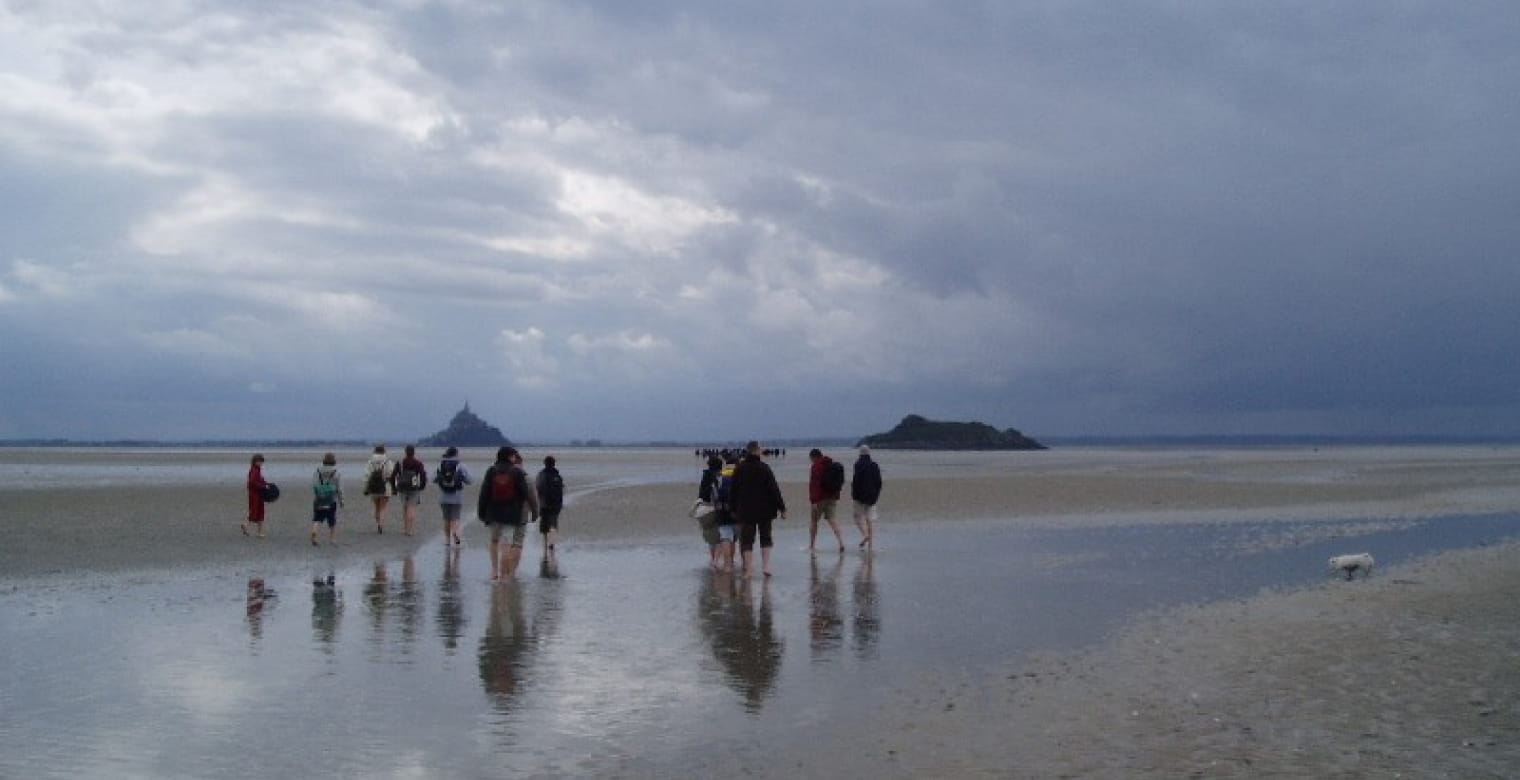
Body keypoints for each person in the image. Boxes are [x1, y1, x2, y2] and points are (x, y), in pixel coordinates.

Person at [478, 446, 540, 580]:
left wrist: (481, 512)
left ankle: (494, 571)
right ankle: (505, 574)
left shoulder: (491, 471)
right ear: (509, 457)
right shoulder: (516, 472)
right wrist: (525, 508)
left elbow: (484, 493)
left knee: (494, 541)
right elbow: (525, 493)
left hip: (493, 512)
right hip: (511, 513)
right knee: (506, 543)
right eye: (512, 455)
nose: (514, 458)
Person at [729, 440, 786, 577]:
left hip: (745, 510)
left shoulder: (740, 468)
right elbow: (774, 490)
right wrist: (782, 508)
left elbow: (733, 491)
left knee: (747, 540)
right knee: (766, 537)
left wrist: (732, 509)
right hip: (765, 510)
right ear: (757, 450)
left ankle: (748, 570)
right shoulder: (764, 468)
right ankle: (766, 567)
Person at [807, 448, 847, 554]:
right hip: (833, 496)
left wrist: (814, 501)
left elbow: (815, 485)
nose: (811, 461)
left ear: (814, 457)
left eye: (811, 458)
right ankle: (841, 542)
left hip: (820, 498)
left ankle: (812, 545)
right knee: (833, 519)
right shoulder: (831, 464)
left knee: (814, 521)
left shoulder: (816, 466)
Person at [434, 446, 472, 546]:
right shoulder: (460, 465)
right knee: (455, 519)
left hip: (443, 497)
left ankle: (447, 541)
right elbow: (469, 480)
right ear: (456, 454)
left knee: (446, 519)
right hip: (456, 496)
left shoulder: (441, 464)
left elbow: (434, 478)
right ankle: (455, 533)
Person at [851, 445, 883, 550]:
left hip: (859, 496)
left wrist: (854, 494)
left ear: (860, 453)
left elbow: (856, 481)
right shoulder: (874, 465)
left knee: (857, 517)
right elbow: (878, 482)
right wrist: (876, 494)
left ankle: (865, 535)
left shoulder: (857, 464)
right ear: (869, 453)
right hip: (872, 496)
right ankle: (870, 545)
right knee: (869, 520)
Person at [310, 452, 344, 546]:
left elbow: (314, 484)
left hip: (319, 498)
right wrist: (341, 501)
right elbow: (339, 488)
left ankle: (314, 532)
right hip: (331, 499)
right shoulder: (336, 472)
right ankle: (332, 539)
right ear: (334, 461)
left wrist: (318, 493)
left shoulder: (317, 471)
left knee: (317, 518)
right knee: (331, 519)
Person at [535, 455, 565, 559]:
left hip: (544, 504)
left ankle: (545, 544)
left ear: (545, 463)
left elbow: (537, 488)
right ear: (554, 463)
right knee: (553, 524)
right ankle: (552, 545)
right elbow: (561, 490)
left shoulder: (541, 475)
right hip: (556, 504)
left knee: (544, 524)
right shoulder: (558, 475)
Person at [362, 445, 397, 534]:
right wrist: (394, 486)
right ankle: (381, 524)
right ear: (384, 451)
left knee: (376, 507)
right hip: (385, 486)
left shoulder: (370, 461)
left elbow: (367, 475)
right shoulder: (387, 461)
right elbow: (391, 474)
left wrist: (366, 487)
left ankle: (378, 523)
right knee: (383, 507)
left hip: (373, 487)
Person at [697, 455, 724, 569]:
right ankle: (715, 562)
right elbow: (715, 495)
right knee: (718, 537)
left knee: (710, 537)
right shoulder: (713, 479)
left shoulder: (705, 476)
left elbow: (701, 495)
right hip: (712, 509)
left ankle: (713, 559)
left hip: (702, 510)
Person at [396, 444, 428, 536]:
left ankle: (406, 529)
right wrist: (422, 486)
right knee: (412, 507)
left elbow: (395, 474)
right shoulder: (418, 463)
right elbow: (423, 475)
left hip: (402, 487)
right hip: (413, 487)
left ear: (405, 452)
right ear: (414, 452)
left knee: (405, 507)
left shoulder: (400, 463)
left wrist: (395, 487)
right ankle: (410, 530)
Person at [245, 453, 269, 538]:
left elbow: (259, 480)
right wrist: (263, 486)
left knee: (256, 512)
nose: (261, 463)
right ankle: (258, 531)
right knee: (258, 513)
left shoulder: (256, 470)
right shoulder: (255, 470)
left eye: (261, 462)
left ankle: (249, 527)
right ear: (255, 462)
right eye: (259, 461)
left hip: (256, 494)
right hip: (256, 495)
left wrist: (266, 484)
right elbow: (253, 482)